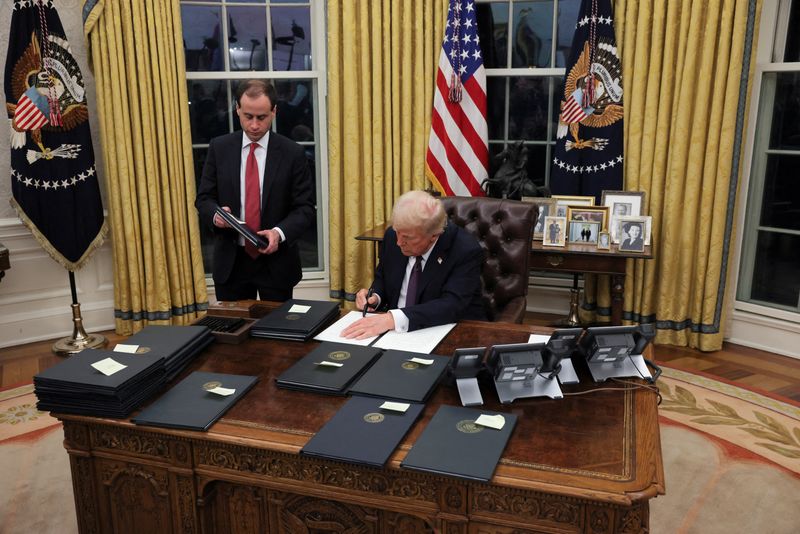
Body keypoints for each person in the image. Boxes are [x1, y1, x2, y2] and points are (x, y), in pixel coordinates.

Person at [195, 79, 314, 301]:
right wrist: (216, 215)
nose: (254, 125)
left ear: (274, 111)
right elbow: (204, 199)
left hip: (276, 264)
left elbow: (304, 209)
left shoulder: (292, 153)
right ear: (237, 109)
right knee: (232, 332)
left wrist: (278, 234)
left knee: (278, 333)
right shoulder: (219, 148)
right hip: (232, 262)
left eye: (262, 117)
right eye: (248, 116)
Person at [342, 191, 486, 339]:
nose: (399, 242)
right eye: (397, 232)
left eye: (407, 238)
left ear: (433, 236)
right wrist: (375, 297)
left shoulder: (465, 250)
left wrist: (393, 319)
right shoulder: (393, 236)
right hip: (393, 333)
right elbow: (382, 277)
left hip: (444, 331)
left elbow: (451, 305)